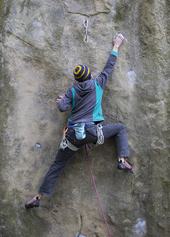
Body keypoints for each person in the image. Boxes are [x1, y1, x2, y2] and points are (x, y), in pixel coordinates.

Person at [25, 33, 132, 209]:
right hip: (92, 133)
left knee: (57, 164)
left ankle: (38, 197)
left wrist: (61, 101)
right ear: (90, 76)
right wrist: (116, 45)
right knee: (120, 128)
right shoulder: (97, 84)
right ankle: (121, 161)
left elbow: (62, 108)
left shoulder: (72, 91)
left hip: (72, 136)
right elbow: (109, 67)